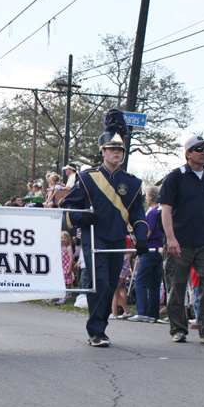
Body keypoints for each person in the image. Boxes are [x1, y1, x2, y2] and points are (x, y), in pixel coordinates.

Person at [61, 109, 148, 347]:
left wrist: (141, 238)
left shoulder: (132, 183)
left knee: (110, 284)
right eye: (111, 149)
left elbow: (138, 215)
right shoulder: (87, 178)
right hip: (94, 236)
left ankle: (100, 327)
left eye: (120, 149)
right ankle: (96, 331)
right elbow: (68, 205)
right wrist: (82, 218)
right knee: (99, 281)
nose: (116, 153)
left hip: (118, 238)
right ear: (103, 151)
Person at [159, 134, 204, 345]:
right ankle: (178, 329)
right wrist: (171, 238)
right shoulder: (175, 177)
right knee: (176, 287)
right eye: (199, 149)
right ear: (188, 154)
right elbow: (166, 210)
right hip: (179, 241)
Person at [129, 186, 163, 323]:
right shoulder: (161, 212)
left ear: (149, 199)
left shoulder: (151, 214)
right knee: (154, 282)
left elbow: (147, 232)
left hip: (149, 250)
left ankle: (142, 311)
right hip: (158, 249)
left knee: (141, 280)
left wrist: (138, 237)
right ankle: (153, 313)